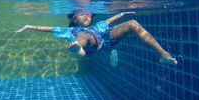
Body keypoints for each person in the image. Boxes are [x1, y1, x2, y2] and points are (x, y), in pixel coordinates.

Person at [15, 12, 177, 64]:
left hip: (106, 40)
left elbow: (111, 20)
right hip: (88, 46)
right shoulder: (68, 31)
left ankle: (163, 54)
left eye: (89, 14)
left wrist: (124, 14)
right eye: (81, 14)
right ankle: (78, 49)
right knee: (82, 36)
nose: (86, 15)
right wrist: (30, 26)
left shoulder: (98, 25)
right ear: (74, 19)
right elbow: (48, 29)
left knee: (133, 23)